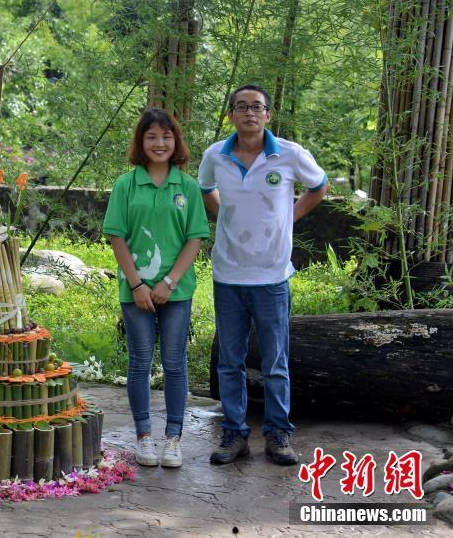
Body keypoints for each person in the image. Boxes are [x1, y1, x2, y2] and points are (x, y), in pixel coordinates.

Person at [198, 84, 328, 466]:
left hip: (272, 277)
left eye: (257, 107)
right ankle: (235, 435)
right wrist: (225, 217)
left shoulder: (289, 154)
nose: (249, 113)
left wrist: (290, 216)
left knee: (275, 363)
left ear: (268, 114)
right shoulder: (214, 156)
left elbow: (318, 187)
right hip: (228, 275)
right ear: (231, 115)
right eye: (241, 107)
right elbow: (206, 190)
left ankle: (277, 435)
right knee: (230, 362)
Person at [102, 107, 209, 468]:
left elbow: (195, 238)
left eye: (166, 136)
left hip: (176, 291)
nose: (159, 142)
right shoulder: (125, 185)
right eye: (151, 136)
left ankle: (173, 439)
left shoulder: (188, 186)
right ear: (141, 142)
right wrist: (137, 284)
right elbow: (116, 236)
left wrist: (169, 281)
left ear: (176, 140)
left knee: (175, 364)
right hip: (136, 291)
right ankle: (144, 437)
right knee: (140, 362)